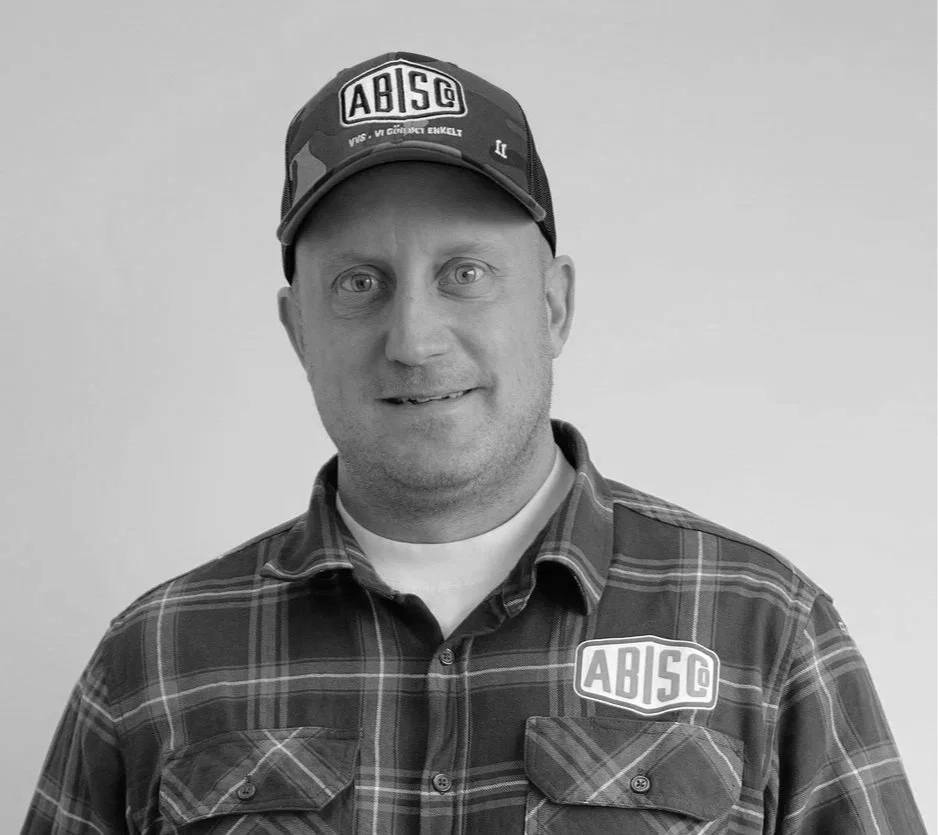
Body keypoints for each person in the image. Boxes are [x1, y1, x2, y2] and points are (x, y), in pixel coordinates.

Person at [22, 51, 926, 835]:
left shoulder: (766, 627)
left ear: (553, 303)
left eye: (465, 273)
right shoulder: (156, 660)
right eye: (359, 283)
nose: (414, 336)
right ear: (298, 331)